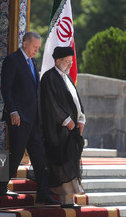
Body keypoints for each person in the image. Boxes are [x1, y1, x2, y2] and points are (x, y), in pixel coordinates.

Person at [0, 32, 61, 205]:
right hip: (19, 118)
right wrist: (13, 111)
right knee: (16, 155)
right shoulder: (12, 60)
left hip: (34, 119)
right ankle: (0, 187)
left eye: (38, 48)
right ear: (24, 43)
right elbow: (6, 89)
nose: (36, 51)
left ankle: (43, 193)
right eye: (34, 47)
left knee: (39, 156)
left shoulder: (33, 61)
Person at [40, 46, 86, 209]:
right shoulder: (49, 77)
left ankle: (70, 198)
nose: (70, 65)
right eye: (67, 62)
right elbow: (51, 103)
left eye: (71, 62)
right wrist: (67, 120)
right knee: (62, 165)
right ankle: (66, 200)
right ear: (58, 61)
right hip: (58, 131)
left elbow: (76, 101)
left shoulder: (66, 78)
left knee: (70, 163)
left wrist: (81, 118)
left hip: (71, 132)